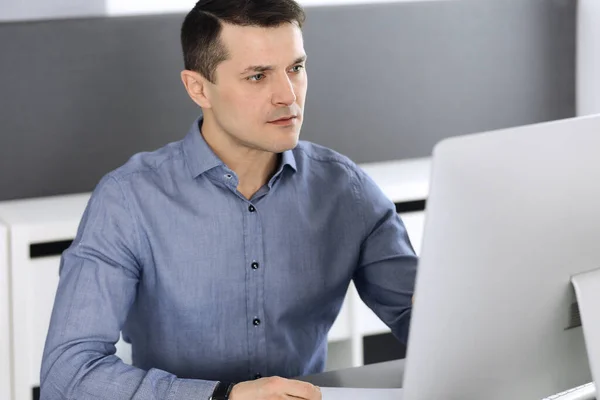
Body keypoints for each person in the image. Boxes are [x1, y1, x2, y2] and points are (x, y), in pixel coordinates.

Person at [40, 0, 417, 399]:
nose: (287, 95)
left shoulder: (346, 190)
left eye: (296, 68)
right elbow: (68, 374)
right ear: (198, 87)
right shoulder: (128, 199)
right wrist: (224, 396)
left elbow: (426, 322)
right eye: (258, 76)